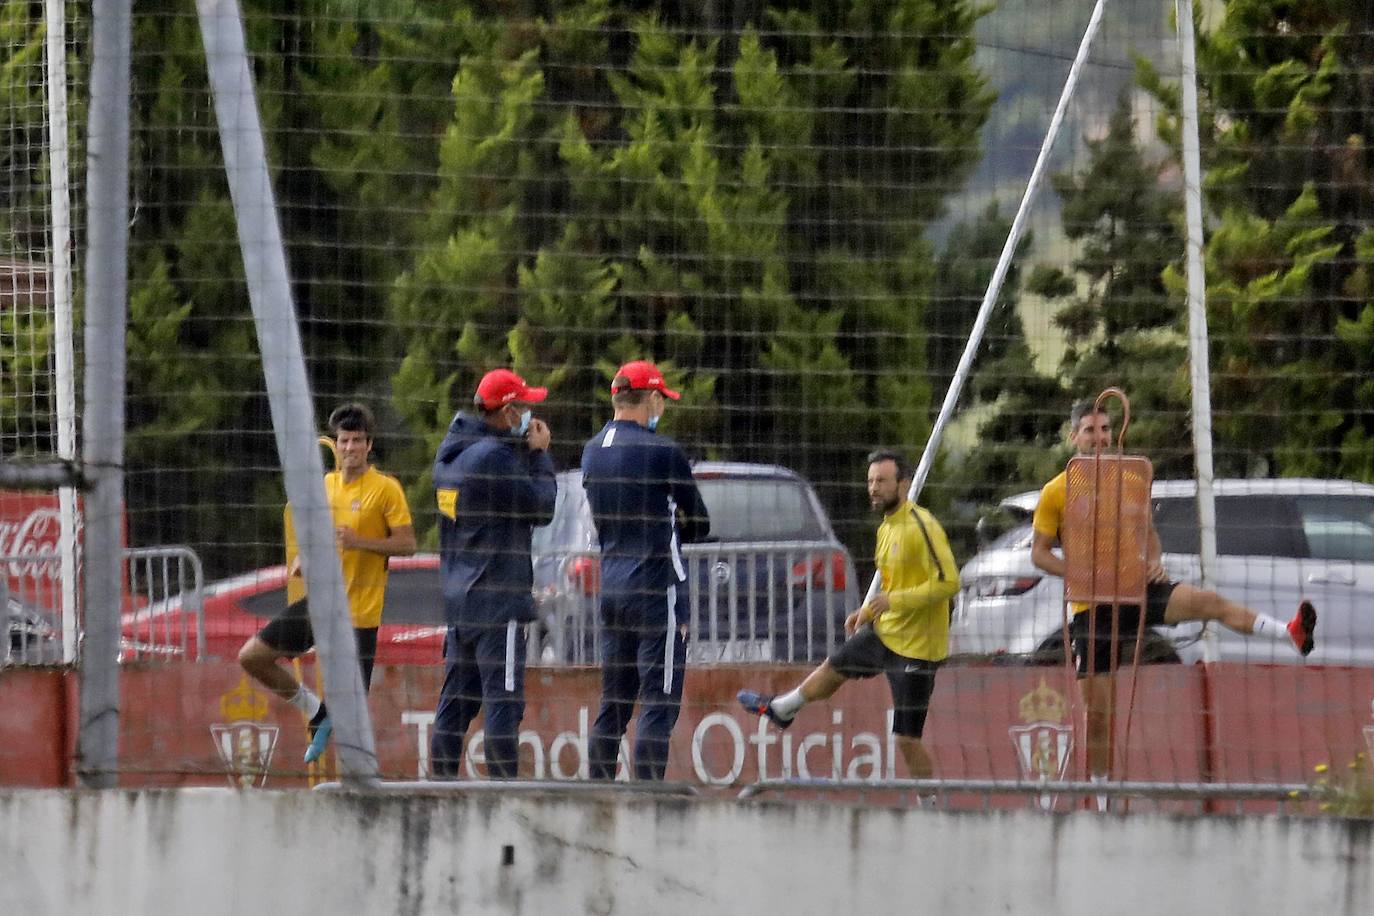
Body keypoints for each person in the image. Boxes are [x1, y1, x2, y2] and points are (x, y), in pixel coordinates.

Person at [1029, 399, 1318, 803]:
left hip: (1136, 590)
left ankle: (1288, 632)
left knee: (1207, 601)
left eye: (1106, 429)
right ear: (1074, 436)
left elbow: (1148, 535)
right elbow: (1039, 553)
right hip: (1091, 606)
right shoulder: (1056, 490)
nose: (1100, 438)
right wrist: (1077, 573)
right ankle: (1102, 798)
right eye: (1091, 431)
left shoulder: (1131, 478)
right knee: (1098, 717)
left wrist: (1154, 562)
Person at [738, 450, 960, 785]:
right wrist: (868, 610)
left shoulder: (922, 526)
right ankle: (784, 709)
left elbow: (949, 582)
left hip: (918, 648)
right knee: (835, 665)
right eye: (870, 481)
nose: (873, 488)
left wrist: (893, 601)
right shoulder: (886, 528)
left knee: (905, 739)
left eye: (882, 481)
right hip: (886, 632)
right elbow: (892, 581)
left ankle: (931, 807)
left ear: (904, 484)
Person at [238, 403, 417, 764]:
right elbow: (321, 537)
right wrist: (307, 559)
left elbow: (408, 545)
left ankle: (361, 781)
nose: (349, 448)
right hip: (321, 604)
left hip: (359, 616)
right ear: (337, 444)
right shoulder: (327, 485)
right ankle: (315, 712)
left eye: (356, 441)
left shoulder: (386, 489)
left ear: (369, 445)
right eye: (344, 441)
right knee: (252, 657)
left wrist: (359, 542)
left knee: (352, 716)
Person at [581, 360, 710, 780]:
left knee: (613, 701)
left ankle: (598, 787)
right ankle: (647, 795)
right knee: (658, 699)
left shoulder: (592, 449)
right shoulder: (662, 451)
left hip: (613, 584)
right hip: (657, 589)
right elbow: (700, 520)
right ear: (652, 398)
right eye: (663, 401)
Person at [429, 369, 556, 779]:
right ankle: (505, 793)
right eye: (523, 407)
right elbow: (541, 507)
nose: (528, 415)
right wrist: (539, 454)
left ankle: (440, 788)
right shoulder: (494, 458)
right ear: (507, 410)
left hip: (462, 601)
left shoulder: (452, 455)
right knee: (503, 703)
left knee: (455, 707)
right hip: (498, 599)